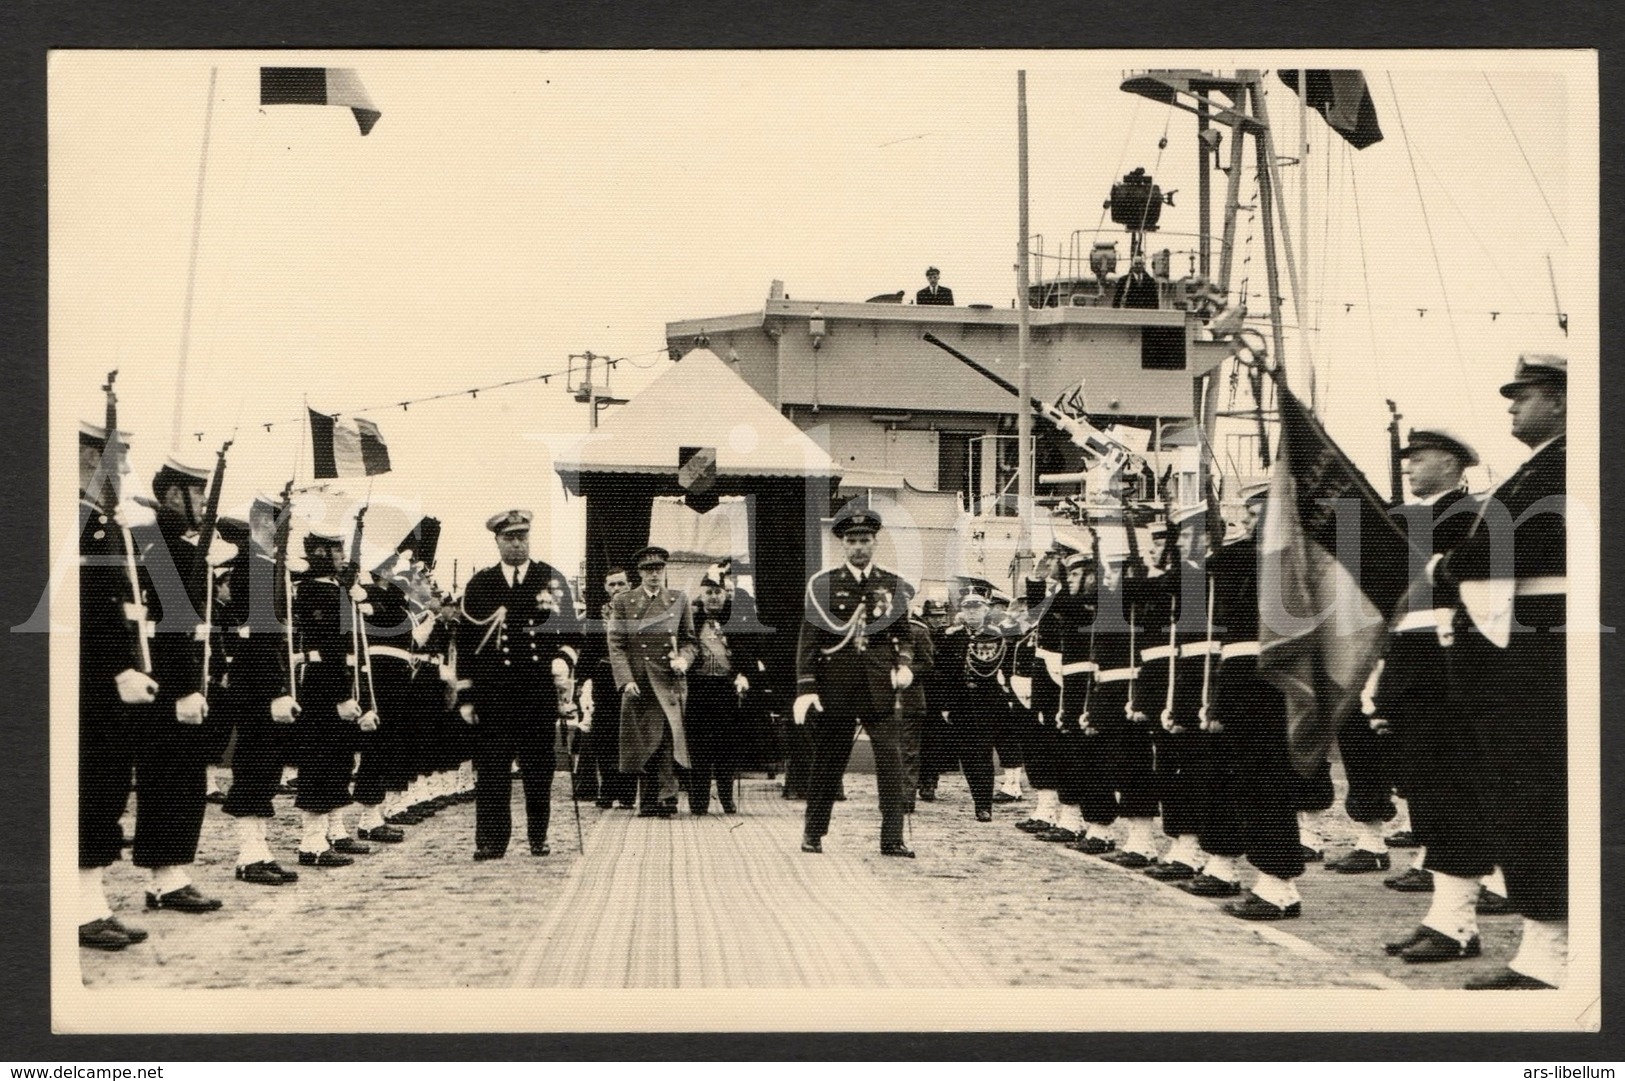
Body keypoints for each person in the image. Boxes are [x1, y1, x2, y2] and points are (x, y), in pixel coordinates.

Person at [1432, 354, 1569, 989]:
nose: (1513, 406)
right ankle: (1544, 945)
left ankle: (1552, 953)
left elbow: (1497, 549)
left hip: (1536, 658)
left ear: (1564, 400)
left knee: (1536, 799)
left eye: (1528, 395)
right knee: (1522, 799)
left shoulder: (1563, 467)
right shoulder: (1537, 467)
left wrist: (1442, 569)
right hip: (1517, 657)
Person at [1369, 424, 1504, 964]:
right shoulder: (1411, 520)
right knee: (1427, 790)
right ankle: (1444, 918)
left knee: (1451, 791)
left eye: (1420, 458)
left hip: (1445, 662)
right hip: (1411, 660)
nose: (1409, 467)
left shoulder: (1469, 517)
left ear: (1453, 463)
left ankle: (1459, 925)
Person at [1184, 482, 1309, 920]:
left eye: (1258, 517)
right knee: (1244, 785)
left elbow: (1227, 560)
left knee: (1267, 786)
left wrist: (1213, 543)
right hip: (1242, 684)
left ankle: (1280, 886)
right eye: (1248, 517)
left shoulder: (1288, 558)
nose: (1248, 524)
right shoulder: (1256, 559)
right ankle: (1259, 876)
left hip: (1271, 684)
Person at [128, 457, 225, 913]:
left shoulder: (182, 550)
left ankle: (171, 874)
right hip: (167, 680)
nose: (204, 506)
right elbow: (172, 627)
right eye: (199, 495)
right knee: (169, 777)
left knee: (186, 778)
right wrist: (185, 687)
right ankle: (164, 877)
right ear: (172, 496)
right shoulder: (152, 545)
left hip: (187, 677)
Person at [793, 502, 918, 856]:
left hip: (880, 688)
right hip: (837, 688)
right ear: (843, 545)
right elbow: (810, 640)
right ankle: (813, 833)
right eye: (852, 541)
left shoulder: (891, 584)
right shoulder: (824, 584)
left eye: (865, 540)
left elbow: (904, 634)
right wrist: (807, 688)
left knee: (892, 766)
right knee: (828, 765)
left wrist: (904, 664)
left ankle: (892, 838)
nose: (859, 546)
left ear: (874, 542)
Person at [457, 509, 582, 859]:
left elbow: (573, 631)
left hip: (537, 690)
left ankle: (538, 836)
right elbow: (466, 643)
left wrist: (564, 659)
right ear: (497, 541)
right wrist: (466, 696)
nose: (516, 544)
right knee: (493, 770)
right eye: (509, 538)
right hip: (493, 693)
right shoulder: (480, 584)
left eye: (522, 537)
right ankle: (491, 841)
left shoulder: (550, 578)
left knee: (538, 769)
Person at [77, 421, 158, 949]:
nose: (126, 469)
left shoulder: (105, 524)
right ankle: (80, 910)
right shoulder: (77, 521)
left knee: (105, 791)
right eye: (117, 456)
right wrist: (114, 669)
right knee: (88, 792)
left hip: (109, 681)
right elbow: (81, 611)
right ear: (87, 457)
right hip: (86, 683)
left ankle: (90, 903)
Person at [216, 515, 301, 886]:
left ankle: (261, 850)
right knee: (254, 768)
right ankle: (248, 856)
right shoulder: (254, 567)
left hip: (262, 679)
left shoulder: (266, 568)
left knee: (266, 769)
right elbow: (260, 639)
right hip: (256, 683)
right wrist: (276, 690)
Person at [290, 526, 368, 869]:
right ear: (320, 553)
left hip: (339, 679)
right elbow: (328, 646)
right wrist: (339, 695)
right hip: (323, 683)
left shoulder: (335, 590)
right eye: (335, 550)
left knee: (338, 761)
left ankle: (333, 831)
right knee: (320, 762)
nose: (342, 556)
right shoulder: (311, 590)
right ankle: (312, 842)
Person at [606, 546, 698, 818]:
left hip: (669, 680)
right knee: (645, 740)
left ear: (664, 570)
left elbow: (689, 640)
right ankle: (647, 800)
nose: (654, 574)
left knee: (667, 739)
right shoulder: (623, 601)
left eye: (658, 568)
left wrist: (684, 659)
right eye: (648, 570)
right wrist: (625, 680)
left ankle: (667, 798)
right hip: (640, 682)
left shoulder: (679, 599)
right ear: (640, 573)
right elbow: (617, 644)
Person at [686, 566, 757, 814]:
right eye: (709, 592)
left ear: (725, 594)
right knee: (699, 748)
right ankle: (699, 802)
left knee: (726, 747)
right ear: (701, 595)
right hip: (698, 689)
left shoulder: (737, 621)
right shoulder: (691, 621)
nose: (714, 597)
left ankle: (727, 798)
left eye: (718, 592)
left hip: (727, 690)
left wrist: (744, 675)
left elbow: (749, 653)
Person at [579, 566, 638, 809]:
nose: (616, 589)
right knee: (603, 735)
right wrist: (585, 681)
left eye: (620, 584)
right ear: (605, 588)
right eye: (611, 584)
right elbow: (588, 653)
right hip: (603, 677)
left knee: (629, 732)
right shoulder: (595, 618)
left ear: (629, 586)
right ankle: (607, 788)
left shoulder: (638, 613)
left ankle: (626, 792)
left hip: (631, 677)